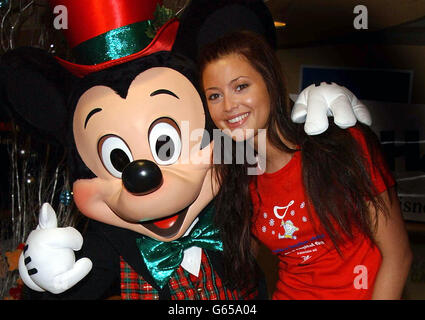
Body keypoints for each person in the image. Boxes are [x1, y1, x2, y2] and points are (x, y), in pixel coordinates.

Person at [199, 30, 412, 300]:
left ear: (270, 83)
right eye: (214, 96)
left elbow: (398, 256)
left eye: (241, 87)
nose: (228, 106)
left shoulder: (341, 146)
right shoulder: (236, 177)